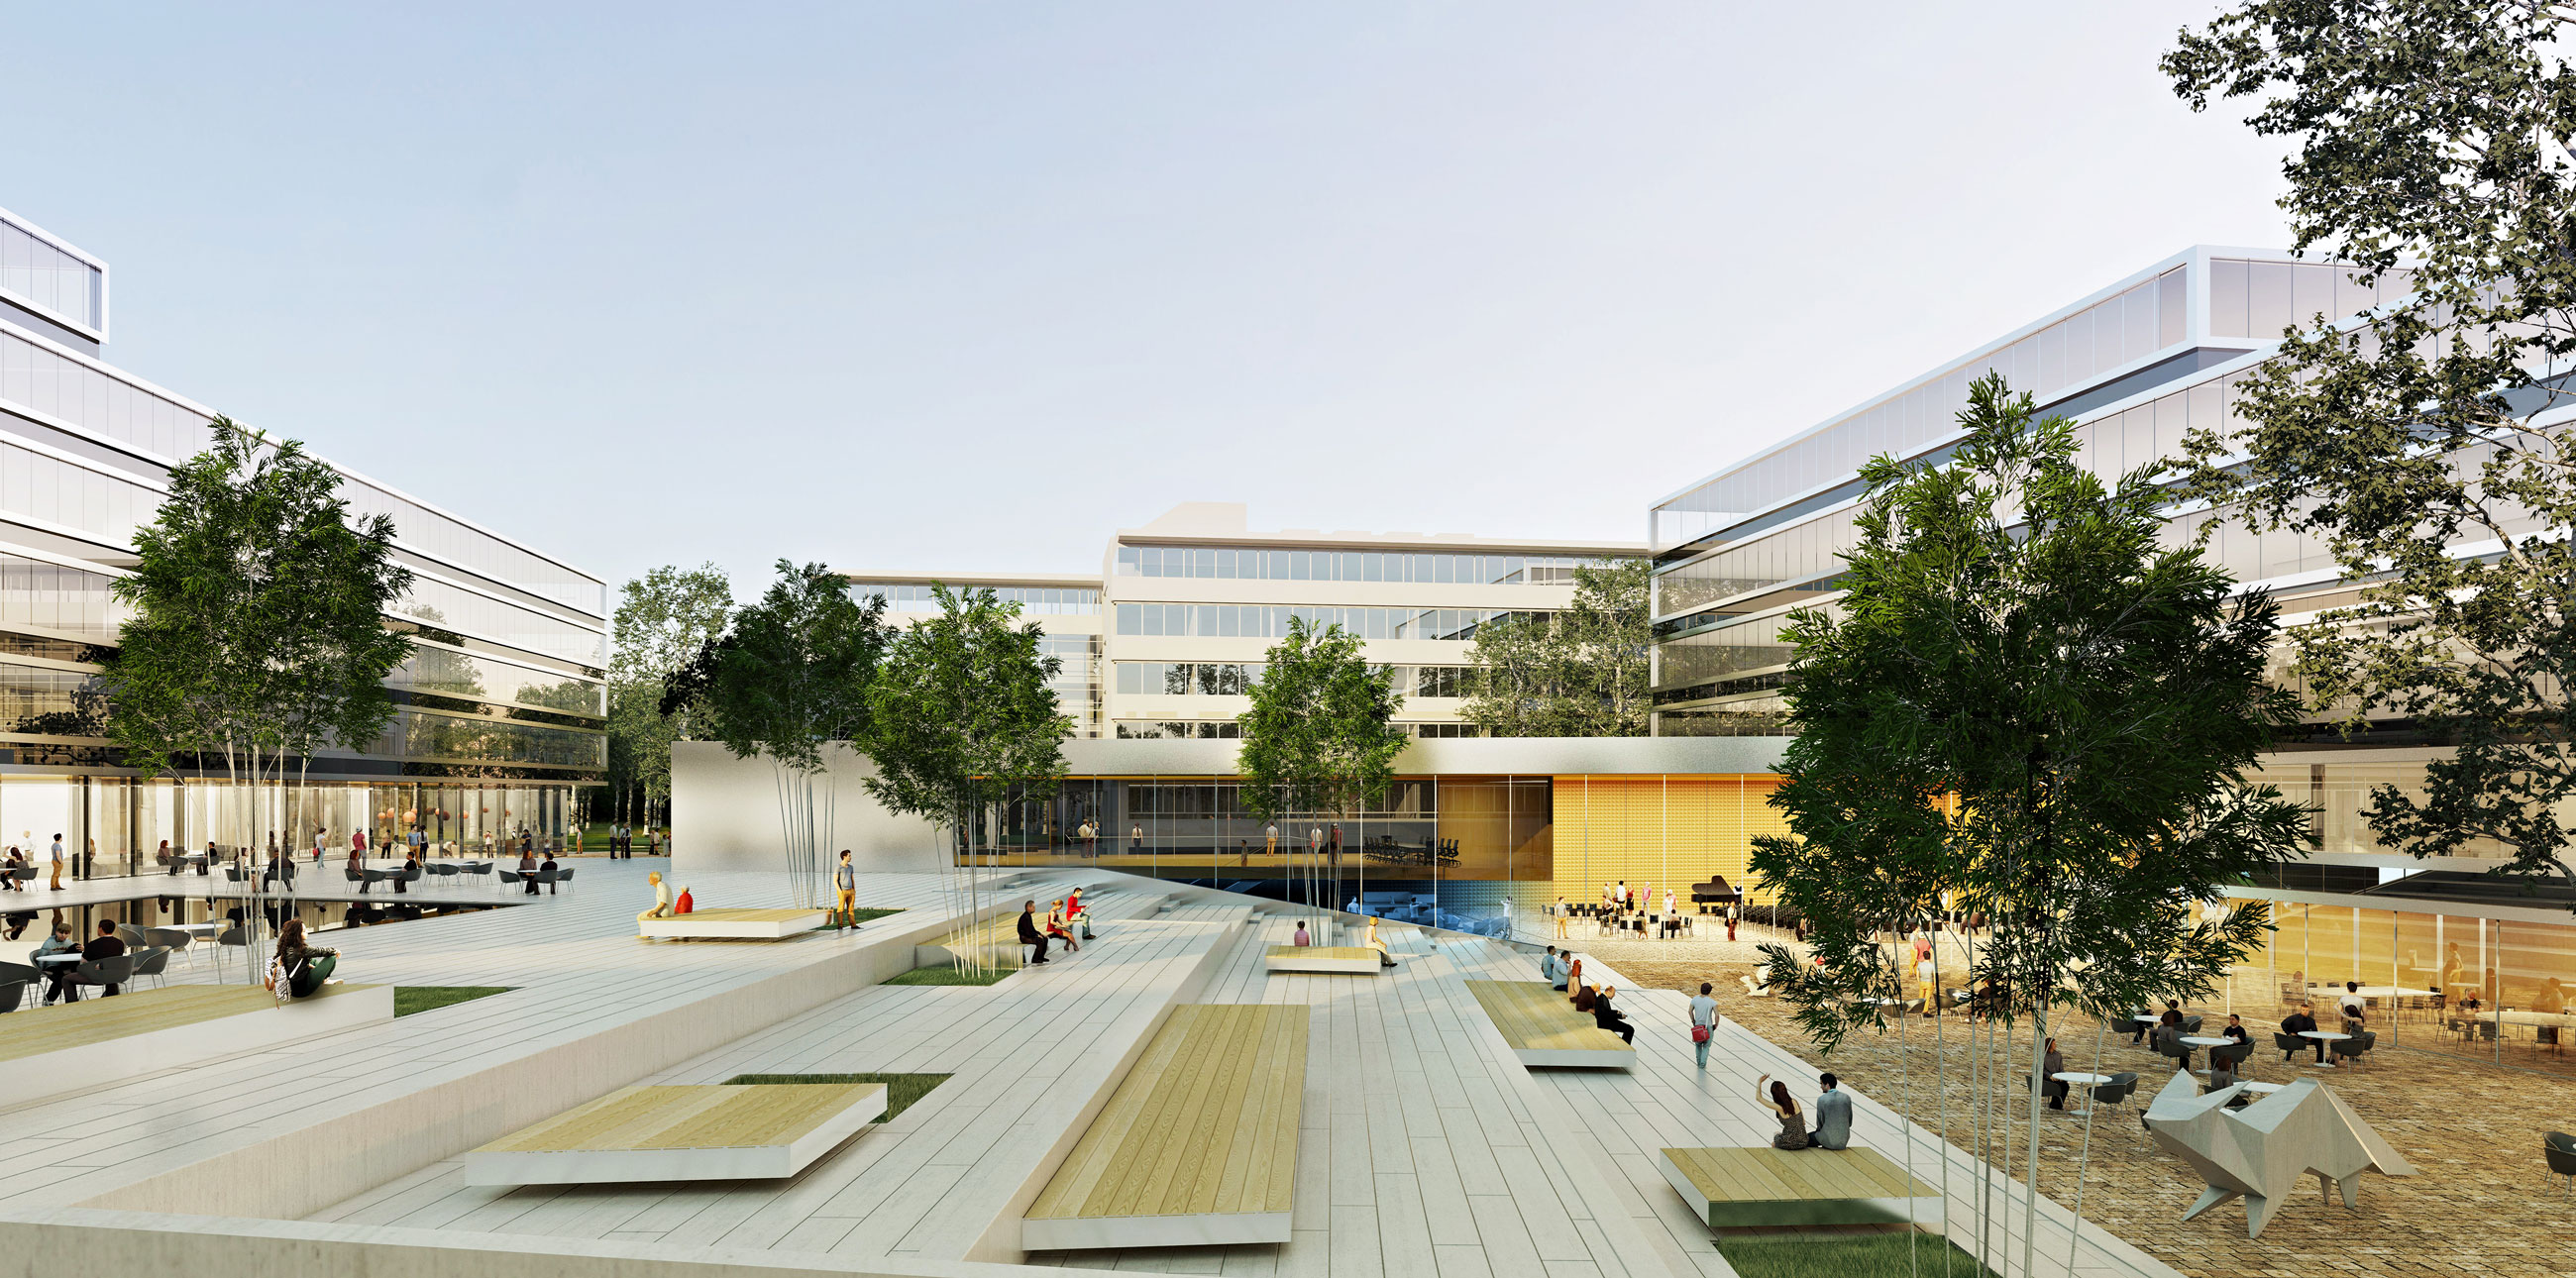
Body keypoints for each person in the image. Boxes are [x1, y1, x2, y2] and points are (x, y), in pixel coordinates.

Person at [267, 917, 338, 1002]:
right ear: (296, 934)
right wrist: (336, 951)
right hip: (302, 989)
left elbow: (299, 964)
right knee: (331, 957)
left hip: (292, 988)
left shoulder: (286, 946)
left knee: (312, 961)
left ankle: (322, 978)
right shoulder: (301, 949)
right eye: (304, 931)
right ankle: (325, 979)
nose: (307, 932)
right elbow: (320, 951)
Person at [1754, 1075, 1809, 1151]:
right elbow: (1803, 1122)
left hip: (1792, 1142)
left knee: (1776, 1136)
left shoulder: (1780, 1107)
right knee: (1779, 1136)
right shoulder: (1794, 1101)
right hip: (1803, 1140)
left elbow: (1758, 1098)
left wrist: (1759, 1082)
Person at [36, 920, 80, 1004]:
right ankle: (49, 999)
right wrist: (40, 970)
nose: (63, 935)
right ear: (56, 932)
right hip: (51, 966)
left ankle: (72, 999)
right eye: (61, 932)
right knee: (61, 979)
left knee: (76, 947)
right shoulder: (48, 943)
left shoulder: (69, 943)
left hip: (63, 966)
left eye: (66, 933)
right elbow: (41, 957)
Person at [82, 918, 127, 997]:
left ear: (100, 929)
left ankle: (72, 1002)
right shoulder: (120, 943)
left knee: (66, 979)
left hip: (97, 976)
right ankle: (109, 998)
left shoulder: (93, 944)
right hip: (115, 974)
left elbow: (84, 962)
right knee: (110, 974)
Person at [1812, 1073, 1853, 1148]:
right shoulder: (1846, 1097)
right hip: (1843, 1140)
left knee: (1806, 1139)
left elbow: (1820, 1123)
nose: (1820, 1086)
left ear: (1827, 1085)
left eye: (1821, 1084)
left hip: (1828, 1139)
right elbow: (1849, 1122)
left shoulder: (1822, 1099)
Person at [1689, 982, 1720, 1070]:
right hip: (1708, 1026)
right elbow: (1717, 1015)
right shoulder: (1712, 1002)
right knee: (1706, 1046)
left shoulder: (1695, 999)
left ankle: (1698, 1061)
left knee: (1698, 1045)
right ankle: (1703, 1063)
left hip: (1698, 1026)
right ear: (1710, 991)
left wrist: (1693, 1020)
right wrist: (1716, 1025)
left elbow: (1690, 1011)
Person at [832, 850, 859, 932]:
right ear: (844, 856)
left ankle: (853, 925)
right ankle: (840, 926)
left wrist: (854, 889)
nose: (850, 857)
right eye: (849, 856)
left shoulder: (851, 867)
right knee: (840, 909)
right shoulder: (838, 867)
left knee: (851, 909)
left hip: (851, 891)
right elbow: (835, 880)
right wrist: (839, 891)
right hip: (843, 891)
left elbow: (852, 878)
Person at [1018, 900, 1050, 965]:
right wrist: (1037, 936)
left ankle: (1041, 957)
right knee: (1040, 940)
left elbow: (1032, 929)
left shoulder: (1028, 915)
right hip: (1024, 937)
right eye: (1033, 907)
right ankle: (1035, 959)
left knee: (1045, 938)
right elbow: (1027, 931)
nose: (1034, 909)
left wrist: (1040, 934)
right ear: (1028, 907)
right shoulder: (1025, 917)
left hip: (1028, 935)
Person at [2040, 1037, 2068, 1111]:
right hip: (2048, 1078)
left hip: (2058, 1077)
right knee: (2057, 1085)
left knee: (2065, 1086)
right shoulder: (2043, 1056)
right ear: (2049, 1045)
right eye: (2054, 1044)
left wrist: (2062, 1076)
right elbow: (2042, 1069)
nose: (2055, 1045)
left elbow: (2061, 1068)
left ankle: (2058, 1105)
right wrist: (2050, 1076)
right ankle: (2054, 1104)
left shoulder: (2058, 1055)